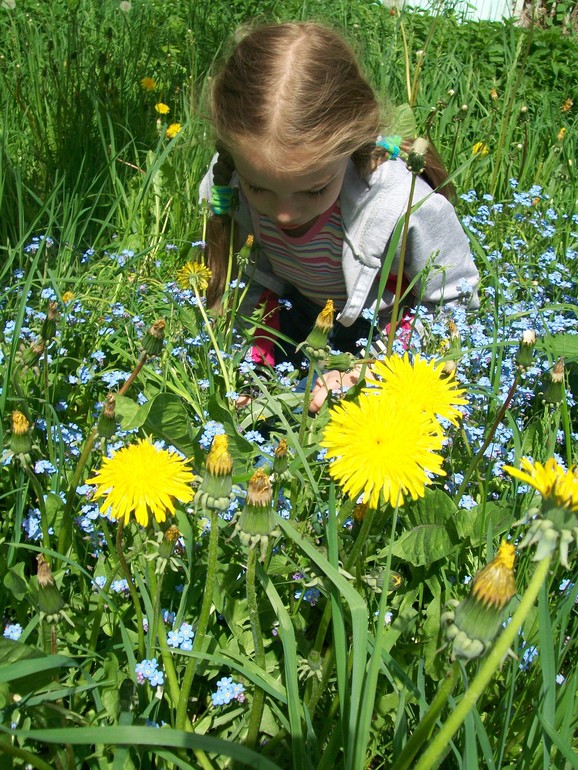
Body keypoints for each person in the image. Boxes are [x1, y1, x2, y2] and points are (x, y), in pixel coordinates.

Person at [198, 21, 479, 412]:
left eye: (313, 190)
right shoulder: (229, 180)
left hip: (386, 328)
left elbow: (452, 304)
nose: (283, 212)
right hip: (299, 312)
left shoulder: (403, 203)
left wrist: (374, 371)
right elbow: (253, 280)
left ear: (351, 143)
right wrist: (250, 362)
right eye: (259, 188)